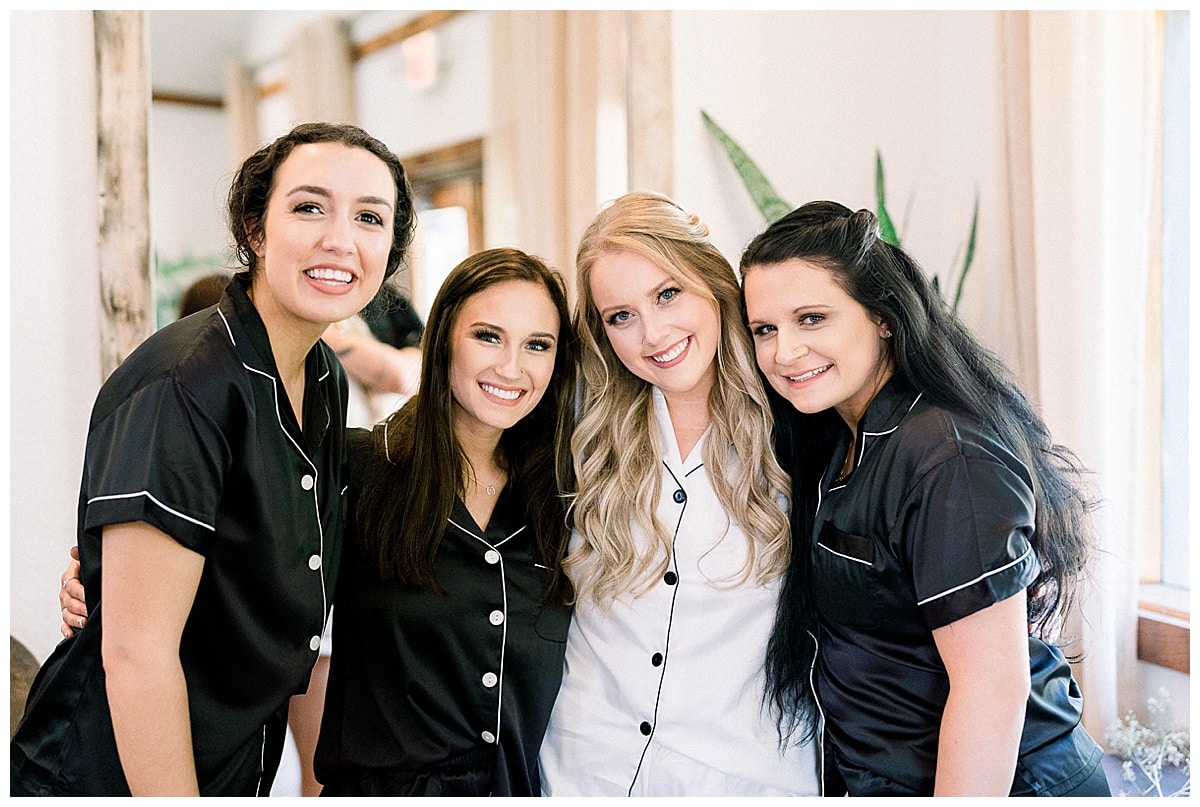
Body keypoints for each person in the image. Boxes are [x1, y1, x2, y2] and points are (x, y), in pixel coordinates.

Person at [11, 121, 417, 797]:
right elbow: (137, 656)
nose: (340, 238)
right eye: (309, 206)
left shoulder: (321, 375)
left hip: (232, 765)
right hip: (110, 775)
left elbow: (292, 611)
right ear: (256, 230)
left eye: (370, 217)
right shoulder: (186, 383)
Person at [739, 201, 1109, 797]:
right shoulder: (840, 436)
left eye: (811, 319)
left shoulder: (947, 456)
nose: (784, 352)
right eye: (765, 329)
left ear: (883, 317)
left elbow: (991, 690)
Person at [538, 191, 819, 796]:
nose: (652, 333)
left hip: (745, 779)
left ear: (711, 282)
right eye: (620, 316)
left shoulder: (801, 428)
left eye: (668, 294)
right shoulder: (576, 432)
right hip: (585, 773)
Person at [312, 247, 577, 795]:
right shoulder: (358, 471)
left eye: (537, 345)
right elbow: (239, 577)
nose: (512, 367)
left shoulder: (562, 499)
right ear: (443, 341)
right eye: (488, 336)